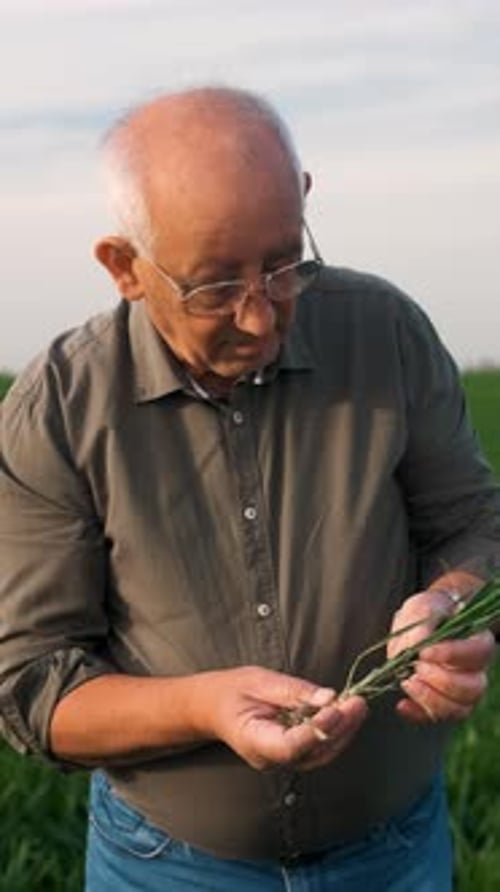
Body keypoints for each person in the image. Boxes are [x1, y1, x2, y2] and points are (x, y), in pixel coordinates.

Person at [0, 86, 499, 892]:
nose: (263, 317)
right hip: (164, 867)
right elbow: (32, 685)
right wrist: (204, 707)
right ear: (125, 266)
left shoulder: (386, 333)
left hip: (394, 852)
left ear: (302, 203)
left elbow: (473, 521)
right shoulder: (59, 409)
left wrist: (450, 602)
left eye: (282, 264)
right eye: (214, 287)